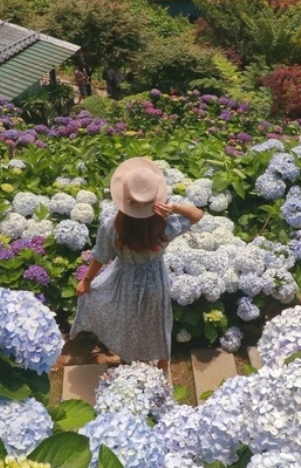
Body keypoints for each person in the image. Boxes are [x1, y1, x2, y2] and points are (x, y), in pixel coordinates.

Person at [71, 158, 204, 376]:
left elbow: (101, 257)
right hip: (156, 281)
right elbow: (197, 215)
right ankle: (162, 366)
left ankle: (135, 362)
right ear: (156, 199)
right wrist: (174, 208)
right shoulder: (165, 226)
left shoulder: (112, 225)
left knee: (130, 322)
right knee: (158, 323)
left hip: (124, 280)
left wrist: (86, 281)